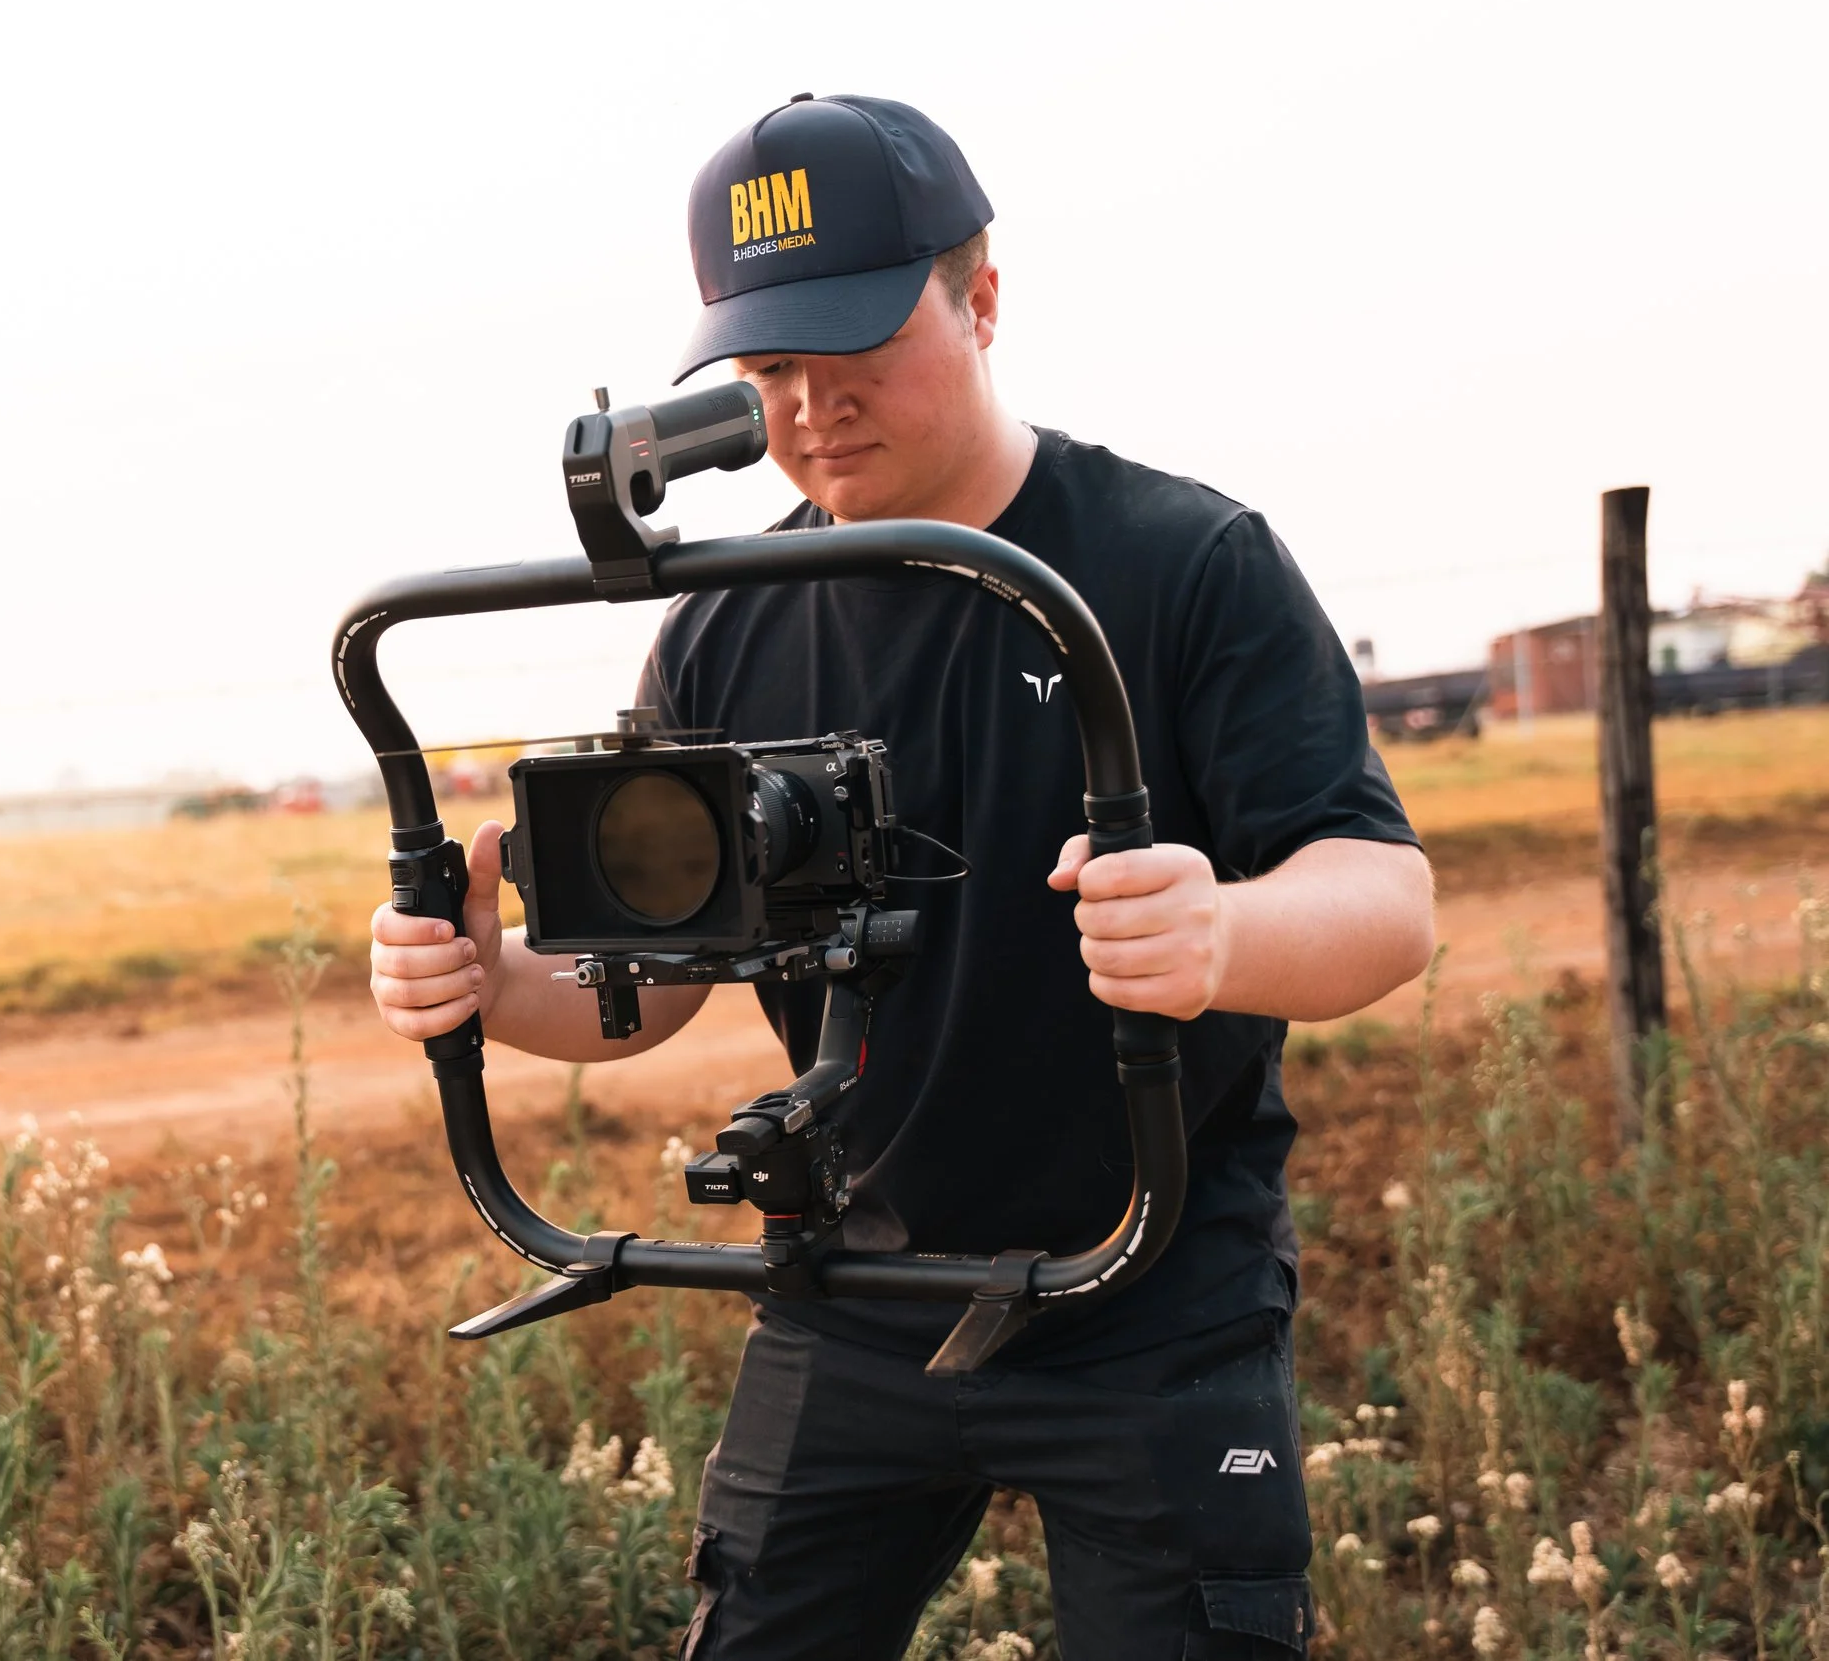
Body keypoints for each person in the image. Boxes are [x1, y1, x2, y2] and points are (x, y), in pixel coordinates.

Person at [367, 93, 1434, 1659]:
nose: (811, 407)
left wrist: (1221, 932)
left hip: (1153, 1293)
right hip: (856, 1287)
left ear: (982, 296)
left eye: (858, 346)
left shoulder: (1177, 561)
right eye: (770, 368)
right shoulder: (731, 621)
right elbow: (653, 985)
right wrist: (486, 986)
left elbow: (1387, 902)